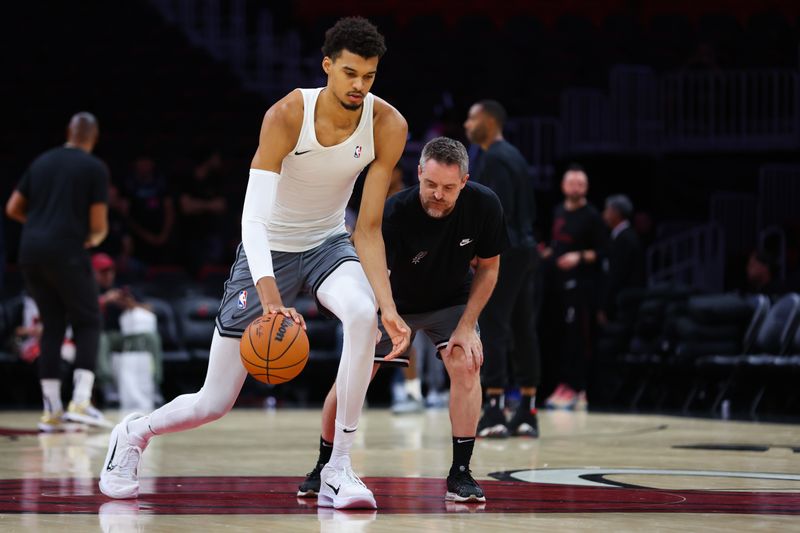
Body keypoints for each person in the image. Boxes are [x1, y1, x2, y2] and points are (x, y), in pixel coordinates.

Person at [99, 17, 411, 510]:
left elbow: (367, 229)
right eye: (350, 73)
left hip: (328, 242)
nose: (358, 85)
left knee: (361, 314)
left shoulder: (388, 124)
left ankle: (339, 467)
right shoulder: (288, 113)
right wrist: (269, 299)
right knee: (213, 402)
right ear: (327, 66)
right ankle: (133, 433)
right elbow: (253, 220)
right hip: (269, 247)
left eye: (369, 76)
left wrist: (388, 307)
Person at [297, 137, 508, 503]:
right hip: (392, 299)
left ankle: (461, 473)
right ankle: (324, 464)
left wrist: (466, 326)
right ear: (419, 173)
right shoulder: (396, 211)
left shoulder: (485, 204)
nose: (438, 194)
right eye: (431, 184)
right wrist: (387, 314)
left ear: (464, 180)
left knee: (466, 363)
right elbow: (376, 271)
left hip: (451, 301)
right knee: (353, 376)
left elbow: (489, 269)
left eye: (448, 187)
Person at [5, 111, 111, 431]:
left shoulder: (41, 162)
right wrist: (86, 238)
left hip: (30, 252)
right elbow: (98, 228)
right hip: (67, 250)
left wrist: (41, 227)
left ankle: (51, 411)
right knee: (88, 321)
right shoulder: (94, 168)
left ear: (69, 131)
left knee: (52, 325)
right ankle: (80, 401)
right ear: (94, 137)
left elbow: (12, 208)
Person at [463, 100, 541, 438]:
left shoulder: (493, 157)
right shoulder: (514, 155)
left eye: (472, 117)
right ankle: (527, 408)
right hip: (525, 249)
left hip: (505, 251)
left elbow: (496, 211)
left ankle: (493, 408)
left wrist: (481, 250)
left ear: (489, 121)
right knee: (523, 326)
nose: (467, 124)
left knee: (493, 322)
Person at [540, 165, 607, 410]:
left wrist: (578, 257)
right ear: (563, 186)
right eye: (572, 183)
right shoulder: (558, 211)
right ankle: (557, 385)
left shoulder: (592, 216)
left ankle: (578, 387)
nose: (575, 187)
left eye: (580, 183)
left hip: (581, 286)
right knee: (555, 336)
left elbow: (602, 253)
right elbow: (555, 243)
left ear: (586, 187)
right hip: (556, 285)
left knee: (577, 338)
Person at [92, 253, 163, 412]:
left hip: (124, 336)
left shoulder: (121, 288)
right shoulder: (89, 289)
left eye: (111, 271)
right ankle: (107, 388)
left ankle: (155, 385)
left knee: (150, 337)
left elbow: (150, 309)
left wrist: (130, 304)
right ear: (94, 273)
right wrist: (105, 300)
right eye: (103, 272)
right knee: (101, 339)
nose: (108, 275)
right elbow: (81, 311)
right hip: (100, 335)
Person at [599, 194, 644, 323]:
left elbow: (616, 275)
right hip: (623, 302)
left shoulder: (625, 239)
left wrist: (606, 307)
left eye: (607, 210)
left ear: (616, 212)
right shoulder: (621, 236)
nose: (604, 215)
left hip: (624, 305)